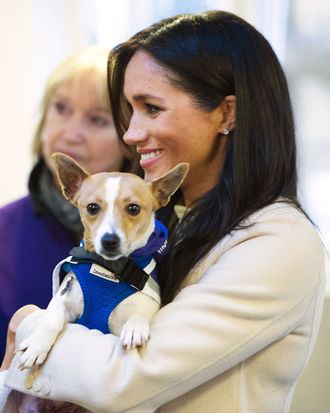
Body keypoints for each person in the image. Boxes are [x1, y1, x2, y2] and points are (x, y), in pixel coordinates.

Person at [1, 10, 326, 413]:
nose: (131, 133)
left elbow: (126, 377)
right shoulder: (168, 225)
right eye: (129, 111)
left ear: (227, 114)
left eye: (151, 108)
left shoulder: (279, 242)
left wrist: (30, 325)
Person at [0, 46, 132, 361]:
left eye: (97, 120)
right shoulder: (5, 230)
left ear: (132, 138)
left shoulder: (158, 236)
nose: (70, 134)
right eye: (61, 108)